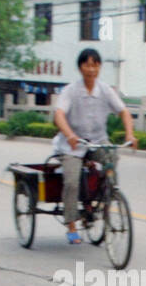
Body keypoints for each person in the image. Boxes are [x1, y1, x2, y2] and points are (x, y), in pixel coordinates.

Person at [52, 48, 137, 244]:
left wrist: (130, 134)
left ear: (100, 67)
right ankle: (71, 225)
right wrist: (70, 134)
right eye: (88, 65)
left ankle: (105, 199)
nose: (92, 69)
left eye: (96, 64)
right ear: (81, 67)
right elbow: (59, 115)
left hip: (98, 140)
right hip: (72, 144)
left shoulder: (106, 90)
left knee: (112, 159)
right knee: (72, 182)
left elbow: (123, 111)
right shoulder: (70, 91)